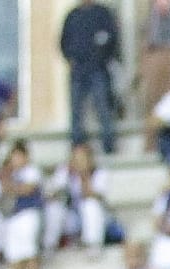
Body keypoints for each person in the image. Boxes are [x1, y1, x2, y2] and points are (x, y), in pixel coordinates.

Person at [61, 0, 121, 156]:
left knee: (103, 107)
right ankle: (77, 147)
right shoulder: (72, 16)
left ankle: (108, 146)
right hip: (78, 71)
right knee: (76, 111)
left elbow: (112, 39)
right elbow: (63, 42)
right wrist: (71, 59)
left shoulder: (103, 14)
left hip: (98, 70)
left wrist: (102, 58)